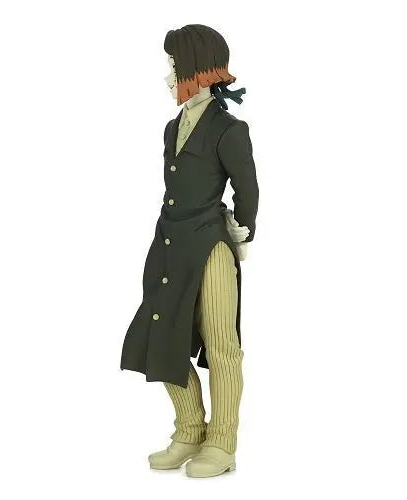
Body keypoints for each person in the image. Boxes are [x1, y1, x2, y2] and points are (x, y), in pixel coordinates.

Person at [120, 24, 259, 478]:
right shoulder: (172, 127)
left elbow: (247, 188)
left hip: (211, 244)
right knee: (160, 336)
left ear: (198, 70)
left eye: (175, 65)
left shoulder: (229, 129)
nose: (169, 75)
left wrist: (242, 231)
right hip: (169, 242)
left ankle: (222, 442)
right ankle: (190, 429)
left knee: (221, 345)